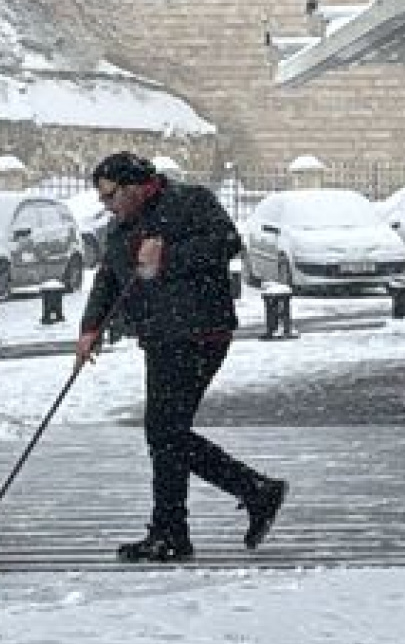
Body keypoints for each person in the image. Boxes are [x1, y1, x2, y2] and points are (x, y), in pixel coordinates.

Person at [74, 151, 287, 562]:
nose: (106, 205)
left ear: (134, 186)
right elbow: (109, 277)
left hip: (199, 333)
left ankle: (183, 526)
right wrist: (90, 329)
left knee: (165, 432)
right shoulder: (121, 225)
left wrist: (167, 256)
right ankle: (234, 501)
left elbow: (226, 242)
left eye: (110, 195)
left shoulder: (190, 201)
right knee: (166, 433)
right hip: (159, 336)